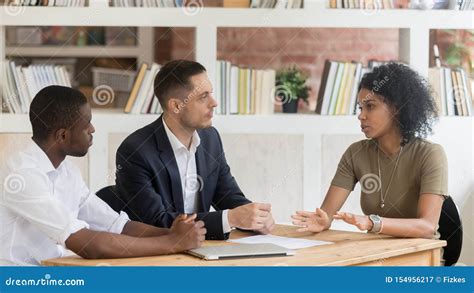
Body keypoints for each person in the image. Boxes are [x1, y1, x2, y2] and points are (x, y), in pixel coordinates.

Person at [0, 85, 206, 266]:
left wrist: (172, 233)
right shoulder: (23, 177)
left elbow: (117, 225)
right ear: (62, 135)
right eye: (86, 125)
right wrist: (171, 243)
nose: (92, 129)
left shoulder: (67, 172)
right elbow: (90, 246)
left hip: (54, 273)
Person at [115, 60, 275, 240]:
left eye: (211, 94)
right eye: (203, 97)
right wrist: (230, 218)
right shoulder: (135, 151)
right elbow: (157, 222)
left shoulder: (210, 138)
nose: (214, 103)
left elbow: (228, 195)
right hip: (155, 256)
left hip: (200, 250)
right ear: (176, 106)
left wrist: (256, 216)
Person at [292, 63, 447, 239]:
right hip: (375, 251)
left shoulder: (430, 155)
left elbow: (427, 226)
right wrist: (323, 221)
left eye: (370, 107)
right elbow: (327, 214)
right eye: (360, 108)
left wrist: (373, 222)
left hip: (420, 254)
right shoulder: (356, 153)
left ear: (397, 109)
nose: (361, 115)